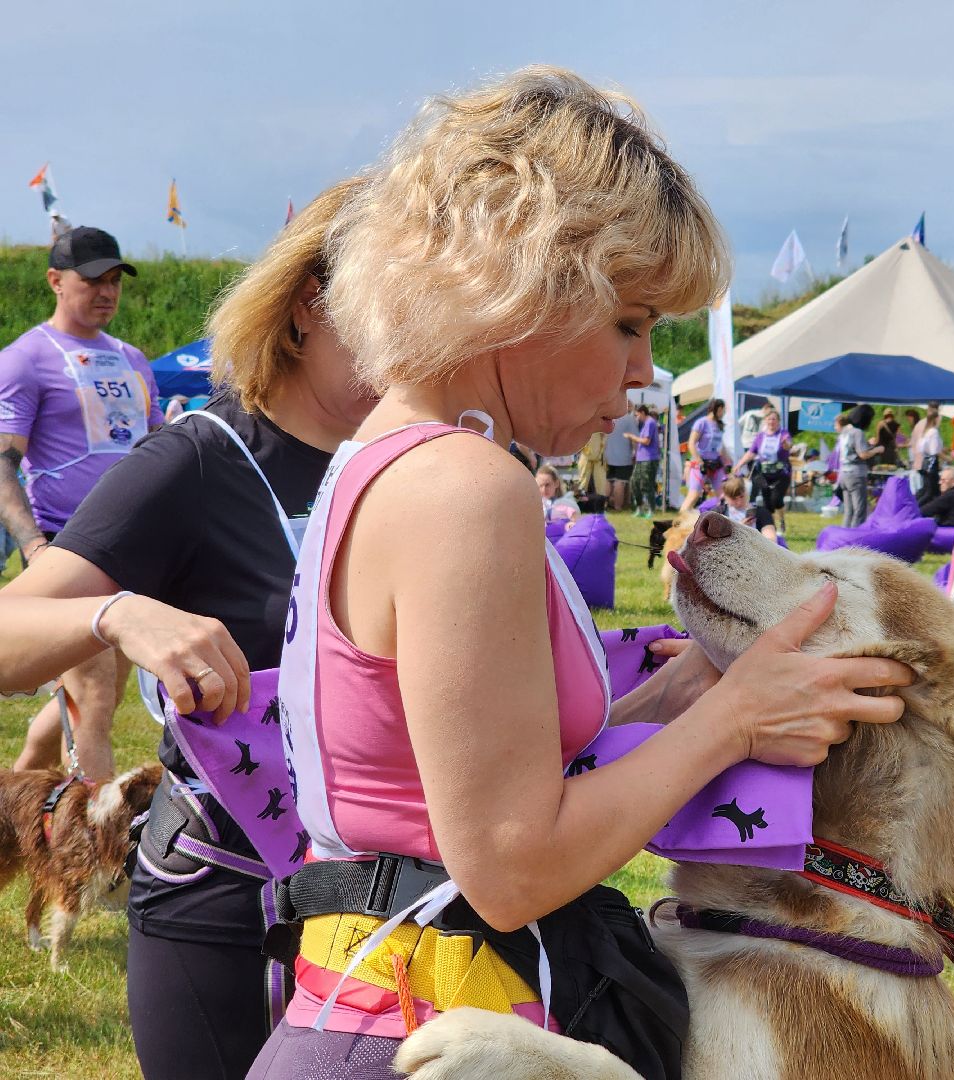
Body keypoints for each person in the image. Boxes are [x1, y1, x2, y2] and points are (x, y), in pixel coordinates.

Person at [245, 68, 911, 1078]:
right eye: (631, 321)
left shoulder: (398, 454)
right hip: (429, 1020)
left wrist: (690, 686)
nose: (644, 371)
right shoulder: (467, 487)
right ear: (522, 287)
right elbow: (512, 865)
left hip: (380, 1009)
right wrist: (732, 721)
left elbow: (468, 774)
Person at [0, 181, 374, 1078]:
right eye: (407, 301)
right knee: (78, 710)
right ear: (308, 307)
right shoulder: (198, 460)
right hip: (228, 904)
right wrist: (115, 610)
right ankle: (72, 837)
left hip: (396, 917)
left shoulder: (428, 464)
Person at [0, 225, 164, 780]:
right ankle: (91, 857)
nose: (107, 291)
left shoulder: (135, 361)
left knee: (101, 694)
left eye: (115, 280)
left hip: (135, 547)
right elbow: (2, 464)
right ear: (55, 280)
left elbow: (160, 449)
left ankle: (19, 791)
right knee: (92, 701)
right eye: (93, 279)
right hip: (69, 545)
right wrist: (34, 545)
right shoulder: (26, 359)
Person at [734, 408, 792, 534]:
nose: (772, 421)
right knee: (767, 503)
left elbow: (788, 445)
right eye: (769, 419)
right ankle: (771, 528)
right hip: (764, 473)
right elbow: (751, 452)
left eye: (774, 419)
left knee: (776, 500)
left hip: (781, 473)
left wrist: (786, 444)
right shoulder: (761, 436)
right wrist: (739, 464)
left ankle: (781, 521)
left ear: (778, 421)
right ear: (766, 420)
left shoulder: (783, 433)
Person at [837, 404, 883, 527]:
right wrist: (877, 449)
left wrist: (868, 445)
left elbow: (851, 450)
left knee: (848, 511)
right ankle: (855, 540)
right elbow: (863, 454)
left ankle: (844, 537)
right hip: (856, 474)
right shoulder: (858, 432)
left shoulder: (845, 431)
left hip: (844, 474)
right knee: (859, 510)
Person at [624, 402, 660, 517]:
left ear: (643, 413)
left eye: (637, 415)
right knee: (634, 482)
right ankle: (640, 508)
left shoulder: (650, 422)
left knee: (647, 484)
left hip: (649, 459)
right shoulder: (645, 423)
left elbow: (646, 441)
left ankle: (651, 510)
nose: (636, 417)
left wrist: (632, 437)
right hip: (641, 459)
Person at [718, 475, 778, 542]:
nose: (739, 502)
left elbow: (771, 540)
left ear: (746, 492)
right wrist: (739, 528)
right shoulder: (719, 513)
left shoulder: (762, 512)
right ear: (725, 496)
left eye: (741, 496)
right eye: (734, 499)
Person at [603, 403, 638, 509]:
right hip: (623, 457)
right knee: (620, 481)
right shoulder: (629, 419)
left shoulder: (610, 418)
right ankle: (617, 507)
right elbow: (635, 439)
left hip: (608, 455)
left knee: (608, 480)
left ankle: (603, 505)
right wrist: (636, 453)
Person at [915, 404, 945, 503]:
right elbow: (935, 451)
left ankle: (916, 507)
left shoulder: (926, 431)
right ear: (935, 419)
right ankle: (915, 508)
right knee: (930, 492)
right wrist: (948, 458)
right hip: (931, 464)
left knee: (926, 490)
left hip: (925, 462)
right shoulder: (933, 432)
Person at [575, 428, 607, 500]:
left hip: (598, 463)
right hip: (586, 462)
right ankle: (582, 504)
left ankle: (599, 504)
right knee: (583, 484)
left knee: (600, 485)